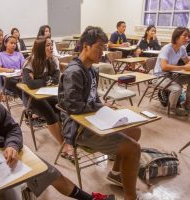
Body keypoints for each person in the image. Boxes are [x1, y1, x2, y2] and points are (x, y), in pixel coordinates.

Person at [58, 26, 141, 200]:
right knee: (133, 149)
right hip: (78, 127)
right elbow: (74, 108)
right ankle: (130, 197)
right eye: (99, 47)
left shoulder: (92, 70)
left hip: (92, 119)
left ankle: (116, 172)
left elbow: (92, 99)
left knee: (135, 130)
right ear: (86, 46)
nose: (102, 52)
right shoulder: (74, 72)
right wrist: (99, 109)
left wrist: (103, 106)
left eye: (104, 48)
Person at [23, 36, 74, 159]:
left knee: (62, 108)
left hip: (48, 93)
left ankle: (67, 138)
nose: (51, 48)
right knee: (50, 114)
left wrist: (40, 79)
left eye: (51, 45)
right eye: (47, 45)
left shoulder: (53, 60)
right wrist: (47, 80)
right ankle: (64, 145)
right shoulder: (30, 61)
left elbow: (56, 79)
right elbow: (30, 84)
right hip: (32, 97)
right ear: (40, 48)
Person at [154, 27, 190, 116]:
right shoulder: (167, 48)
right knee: (177, 88)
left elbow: (187, 61)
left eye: (188, 36)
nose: (187, 38)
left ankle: (186, 103)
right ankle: (173, 108)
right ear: (176, 36)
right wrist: (183, 67)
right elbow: (164, 67)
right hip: (159, 77)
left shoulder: (182, 48)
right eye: (184, 35)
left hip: (171, 75)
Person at [0, 35, 24, 101]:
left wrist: (23, 73)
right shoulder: (0, 55)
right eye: (11, 43)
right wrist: (8, 70)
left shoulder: (19, 54)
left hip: (19, 77)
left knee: (24, 83)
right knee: (19, 85)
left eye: (15, 43)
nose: (13, 45)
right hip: (8, 79)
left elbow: (24, 67)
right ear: (5, 43)